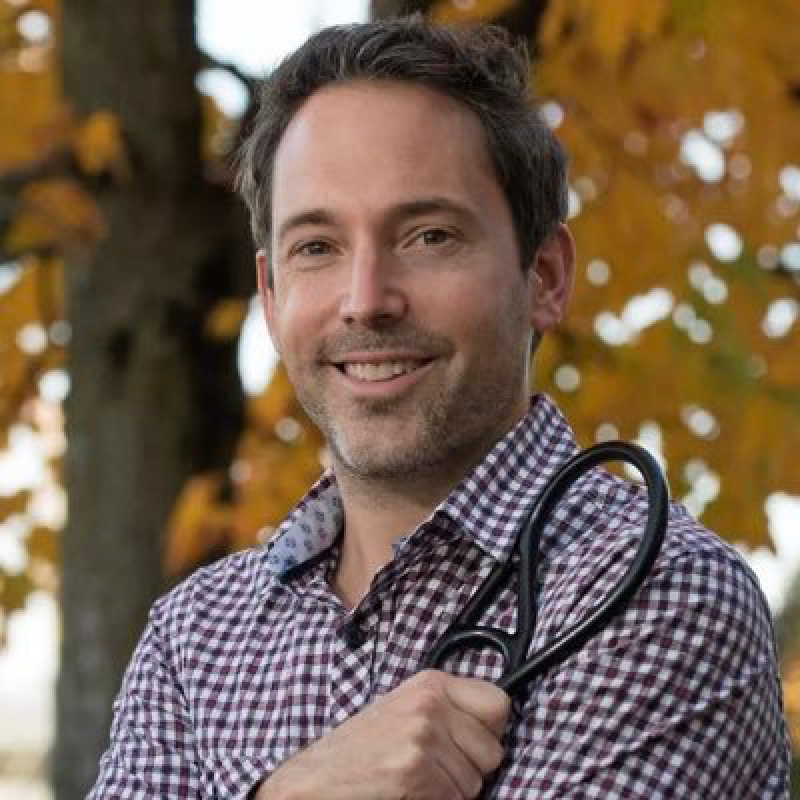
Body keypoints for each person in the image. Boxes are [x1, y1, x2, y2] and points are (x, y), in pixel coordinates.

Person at [89, 16, 789, 799]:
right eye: (317, 247)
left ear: (545, 277)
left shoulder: (660, 592)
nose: (366, 300)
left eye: (428, 236)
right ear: (272, 297)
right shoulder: (194, 637)